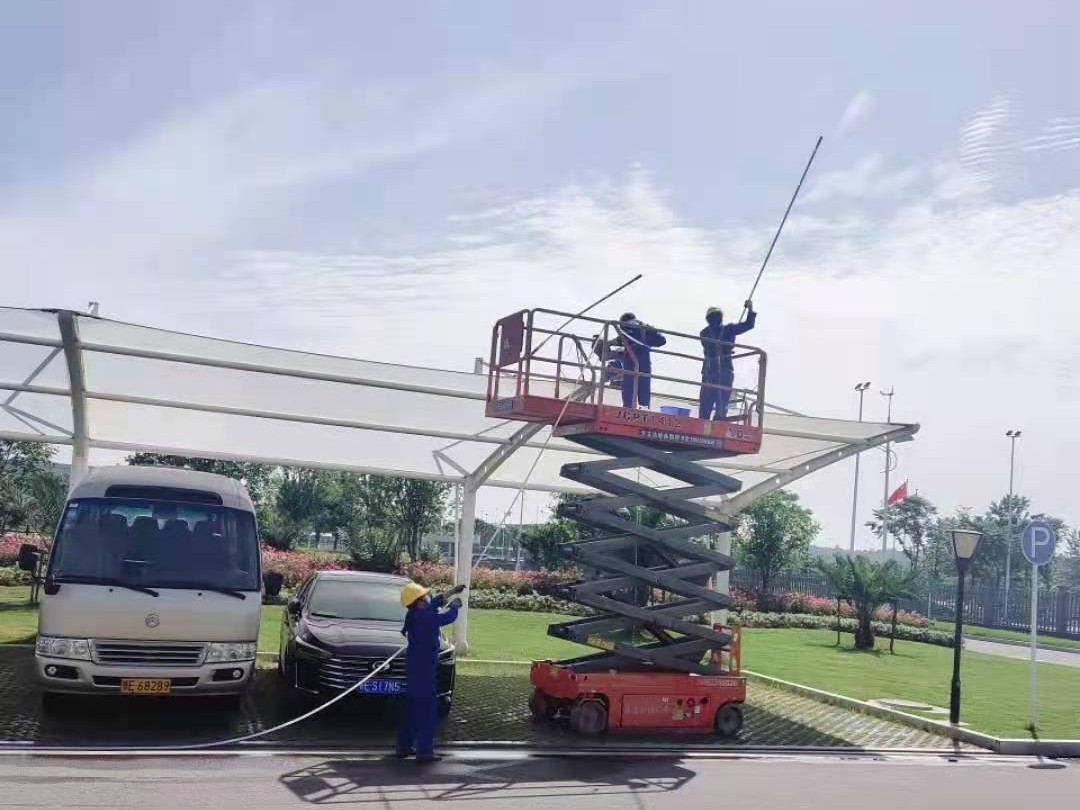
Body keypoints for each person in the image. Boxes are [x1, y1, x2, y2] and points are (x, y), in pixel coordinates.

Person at [396, 581, 465, 762]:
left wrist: (450, 592)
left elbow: (433, 604)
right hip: (424, 669)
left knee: (411, 708)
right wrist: (455, 607)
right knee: (426, 710)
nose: (427, 599)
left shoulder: (415, 614)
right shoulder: (424, 617)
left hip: (414, 668)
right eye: (423, 597)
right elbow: (446, 618)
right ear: (417, 601)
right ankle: (424, 751)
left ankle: (404, 747)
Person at [699, 301, 758, 420]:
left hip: (710, 374)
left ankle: (705, 426)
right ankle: (717, 424)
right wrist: (750, 309)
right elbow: (748, 325)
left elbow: (711, 347)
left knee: (705, 408)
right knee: (720, 408)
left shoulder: (704, 333)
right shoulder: (728, 329)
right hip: (723, 373)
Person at [616, 313, 666, 409]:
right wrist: (652, 332)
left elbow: (622, 339)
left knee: (629, 382)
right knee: (644, 383)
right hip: (644, 359)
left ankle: (628, 407)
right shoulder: (644, 329)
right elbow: (662, 341)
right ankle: (643, 406)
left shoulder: (627, 327)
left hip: (631, 358)